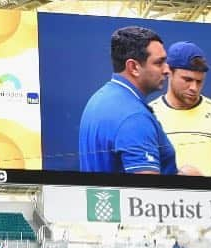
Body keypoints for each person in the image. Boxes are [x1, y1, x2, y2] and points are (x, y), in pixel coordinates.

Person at [78, 26, 182, 175]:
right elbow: (146, 194)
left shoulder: (98, 100)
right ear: (133, 67)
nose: (166, 70)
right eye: (159, 63)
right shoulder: (135, 118)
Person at [150, 42, 211, 177]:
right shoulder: (149, 114)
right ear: (169, 72)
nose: (194, 88)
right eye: (187, 79)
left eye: (199, 81)